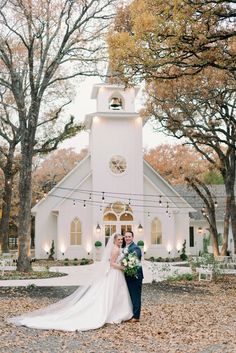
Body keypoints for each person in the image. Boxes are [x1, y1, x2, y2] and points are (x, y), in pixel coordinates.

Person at [7, 234, 133, 331]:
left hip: (116, 274)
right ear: (114, 240)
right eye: (119, 240)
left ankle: (117, 312)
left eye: (122, 240)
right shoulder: (115, 250)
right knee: (111, 294)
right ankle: (114, 313)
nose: (120, 241)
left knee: (116, 294)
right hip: (115, 272)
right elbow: (111, 264)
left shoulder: (118, 248)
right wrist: (123, 267)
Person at [124, 230, 143, 322]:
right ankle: (132, 314)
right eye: (126, 237)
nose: (127, 238)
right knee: (130, 296)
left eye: (129, 236)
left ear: (132, 237)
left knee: (135, 296)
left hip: (135, 276)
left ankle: (136, 316)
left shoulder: (136, 248)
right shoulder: (125, 247)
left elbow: (135, 258)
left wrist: (125, 262)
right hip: (128, 276)